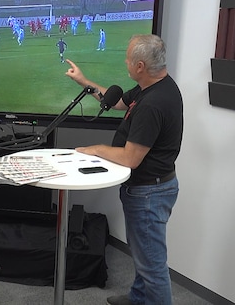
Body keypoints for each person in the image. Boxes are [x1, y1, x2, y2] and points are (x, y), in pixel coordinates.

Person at [65, 34, 183, 305]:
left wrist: (96, 149)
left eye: (129, 59)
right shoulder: (151, 86)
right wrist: (84, 82)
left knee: (153, 266)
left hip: (149, 194)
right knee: (144, 254)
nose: (125, 62)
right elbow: (117, 102)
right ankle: (138, 299)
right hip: (149, 190)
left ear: (140, 66)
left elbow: (131, 158)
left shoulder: (154, 103)